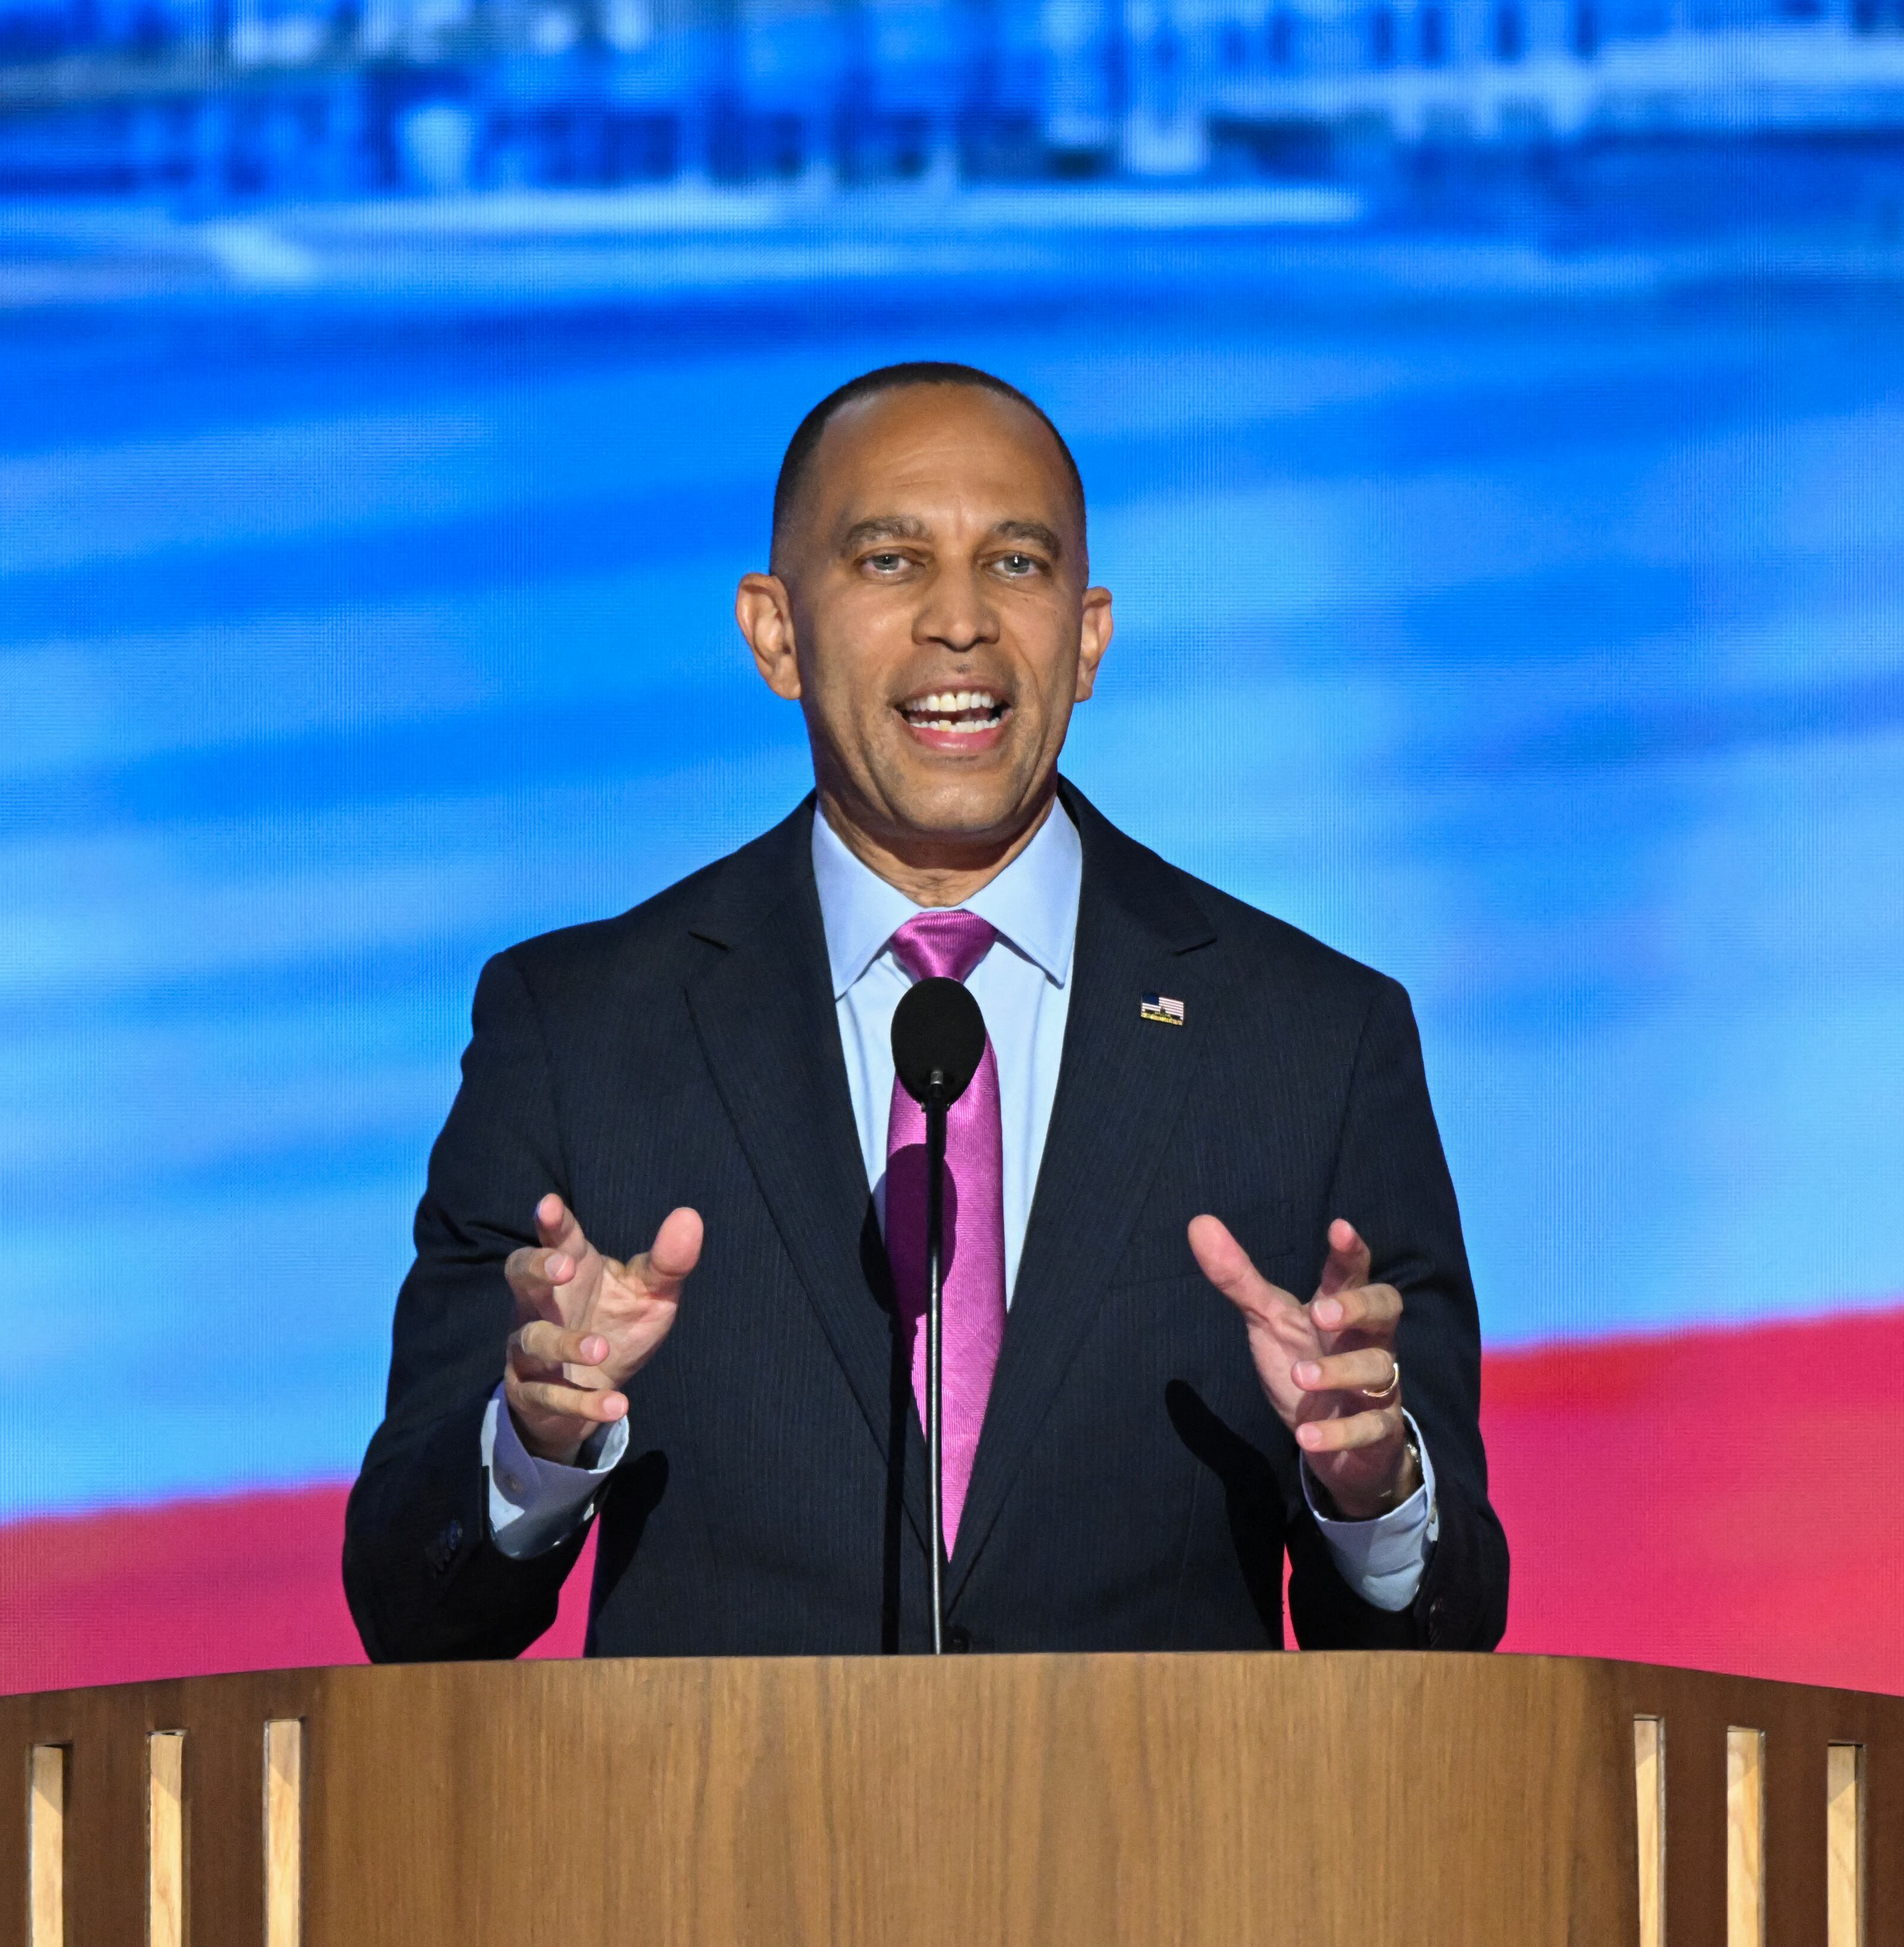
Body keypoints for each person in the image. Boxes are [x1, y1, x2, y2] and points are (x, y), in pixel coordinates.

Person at [344, 361, 1508, 1657]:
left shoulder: (1311, 1040)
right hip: (711, 1850)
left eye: (1016, 565)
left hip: (1172, 1849)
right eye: (891, 561)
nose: (961, 623)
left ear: (1088, 635)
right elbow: (411, 1604)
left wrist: (1370, 1498)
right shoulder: (578, 1031)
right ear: (774, 632)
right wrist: (536, 1442)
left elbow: (1449, 1634)